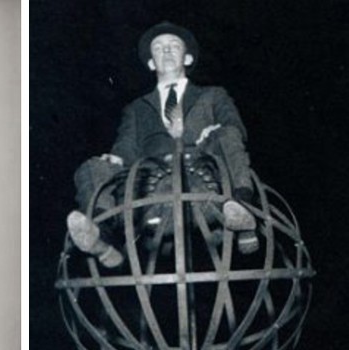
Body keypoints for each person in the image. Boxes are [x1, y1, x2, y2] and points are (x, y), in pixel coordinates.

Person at [67, 21, 259, 267]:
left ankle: (242, 210)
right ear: (151, 63)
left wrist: (216, 129)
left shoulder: (212, 95)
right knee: (94, 166)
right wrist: (115, 158)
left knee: (228, 135)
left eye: (174, 46)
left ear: (187, 58)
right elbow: (126, 146)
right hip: (152, 182)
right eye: (158, 47)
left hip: (204, 173)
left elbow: (235, 125)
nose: (166, 51)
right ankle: (103, 238)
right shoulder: (136, 108)